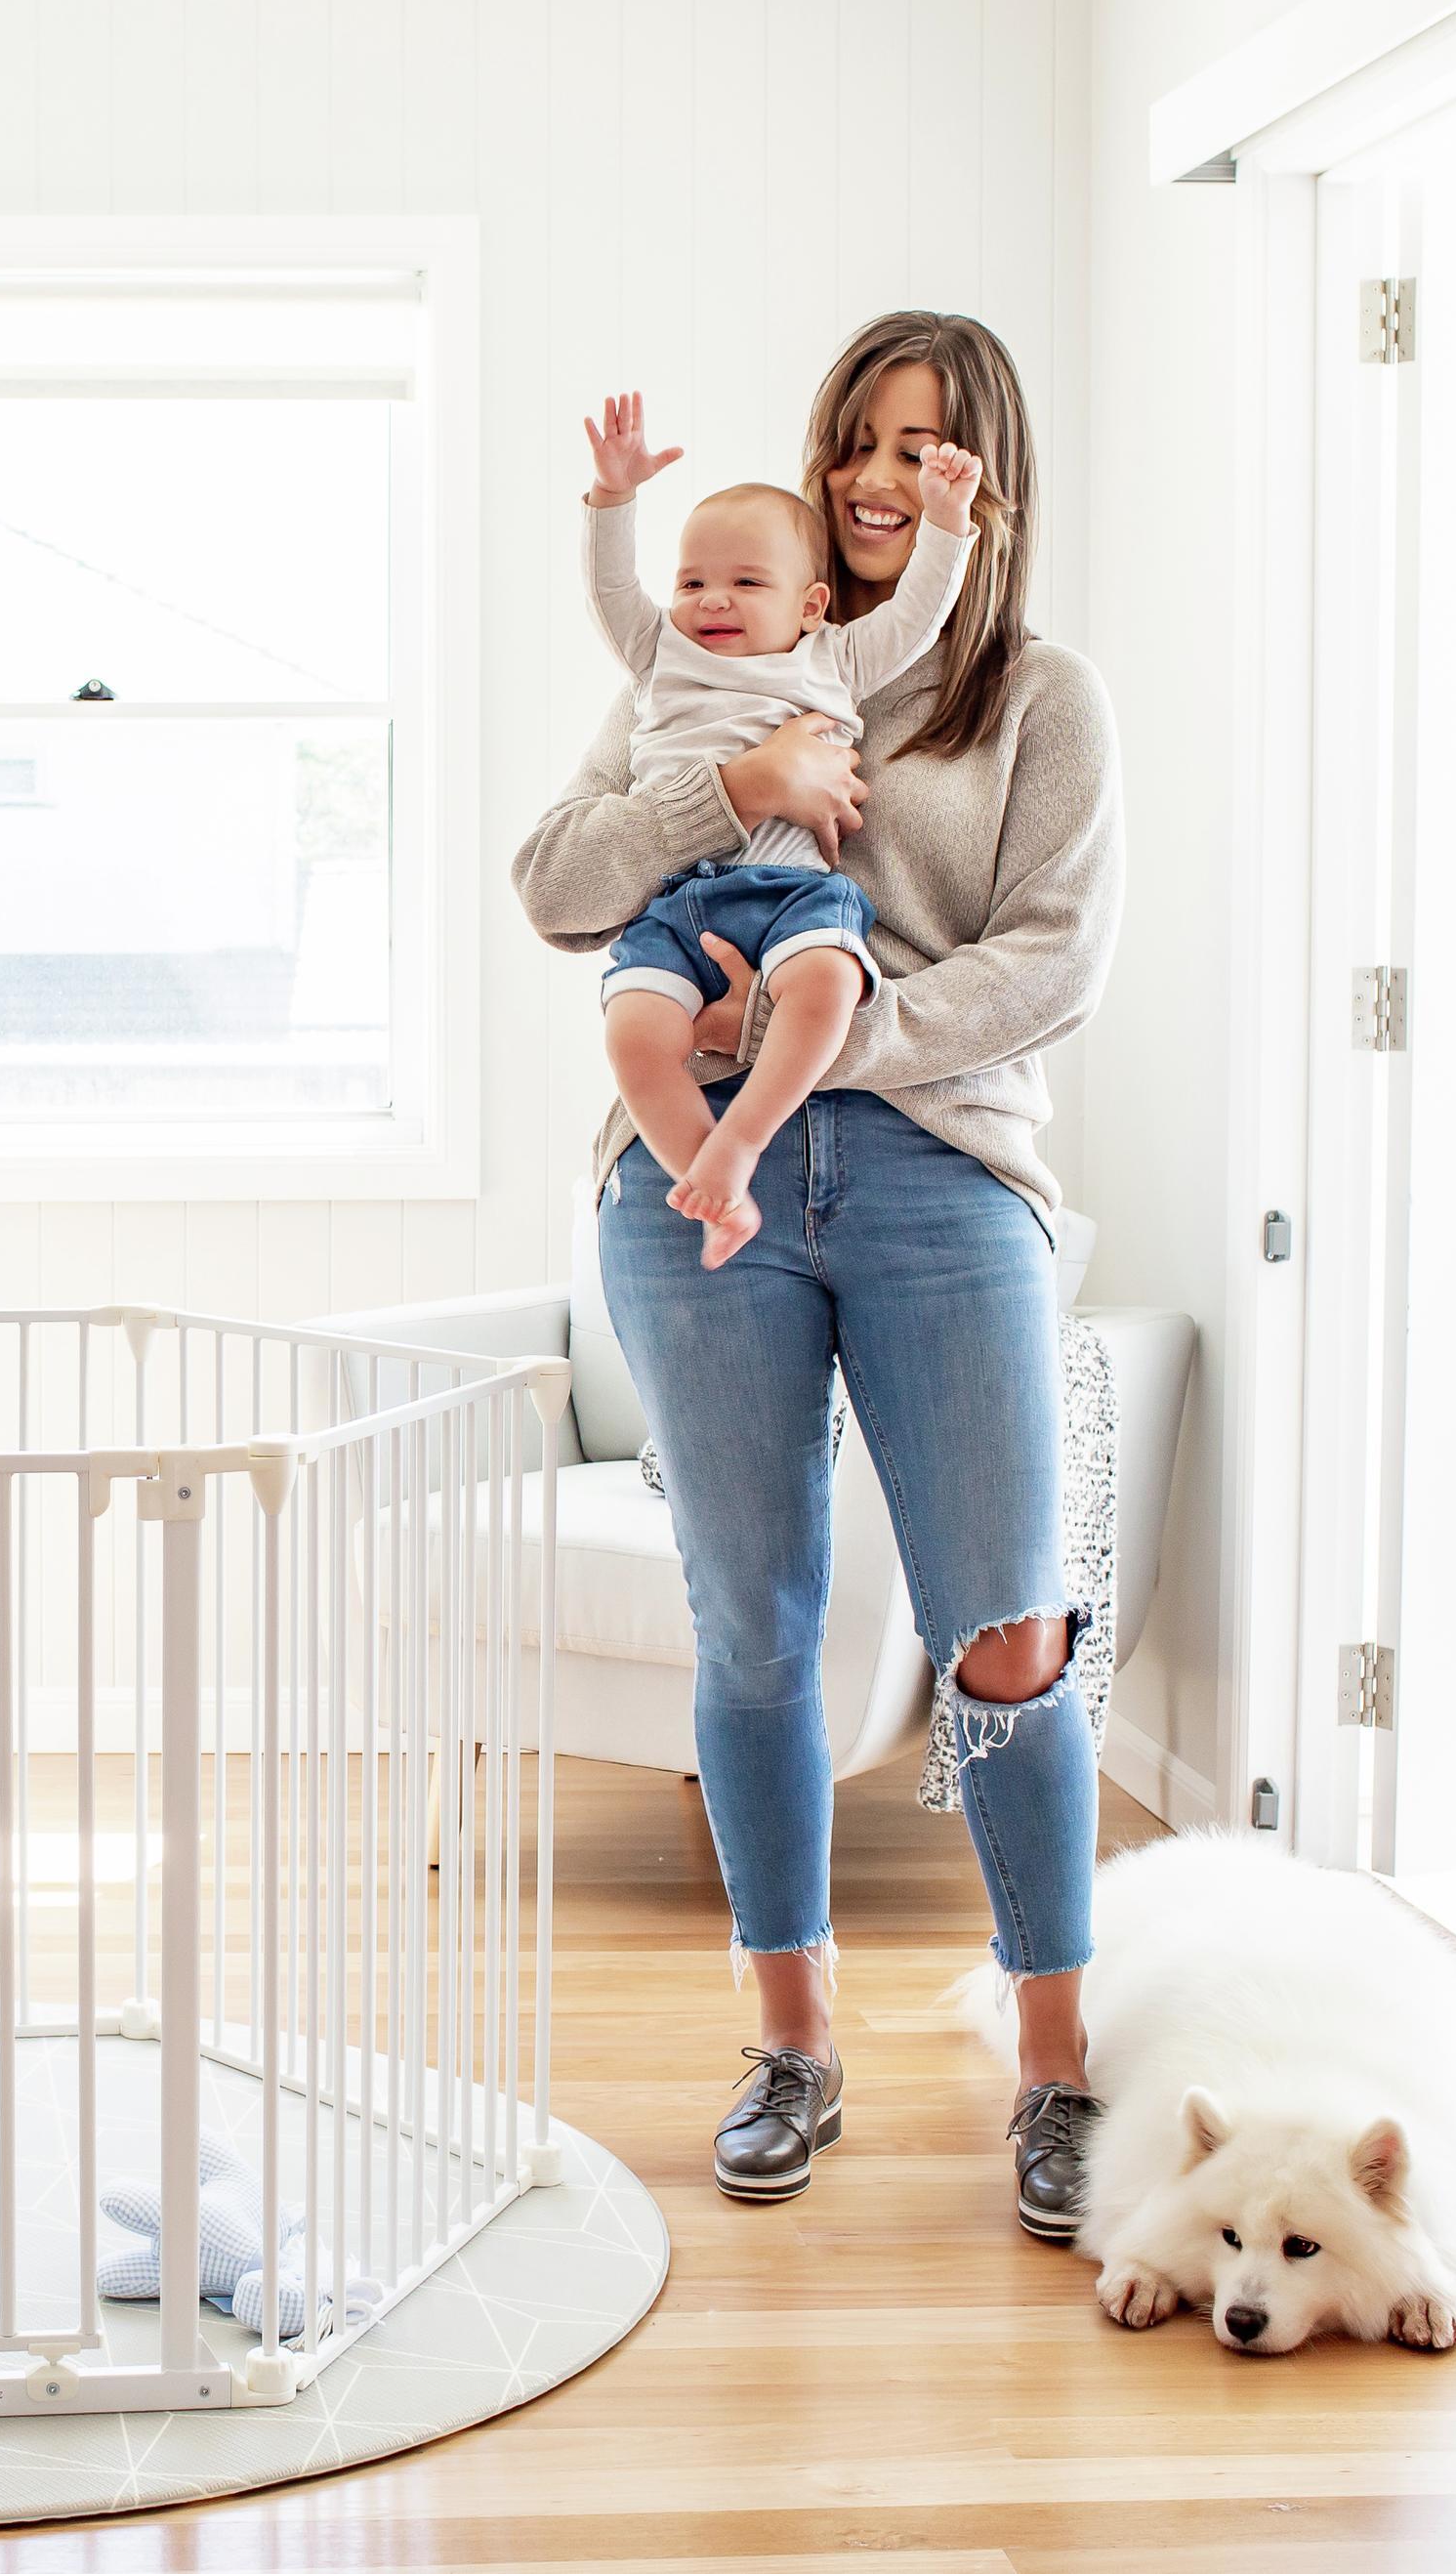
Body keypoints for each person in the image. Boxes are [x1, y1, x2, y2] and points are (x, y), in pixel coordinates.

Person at [512, 312, 1123, 2239]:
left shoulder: (1038, 696)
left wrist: (818, 1046)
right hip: (697, 1195)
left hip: (943, 1173)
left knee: (1005, 1632)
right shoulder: (715, 648)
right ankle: (796, 2038)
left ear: (980, 477)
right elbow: (553, 884)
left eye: (921, 446)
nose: (875, 478)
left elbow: (1050, 964)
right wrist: (731, 778)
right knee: (754, 1624)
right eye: (859, 437)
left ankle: (1058, 2069)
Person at [577, 392, 982, 1264]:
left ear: (811, 605)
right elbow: (614, 594)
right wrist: (613, 499)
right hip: (681, 902)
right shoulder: (662, 659)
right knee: (633, 1032)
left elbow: (916, 618)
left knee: (832, 986)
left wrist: (949, 524)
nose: (711, 600)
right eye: (692, 582)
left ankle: (742, 1140)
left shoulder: (832, 657)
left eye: (746, 582)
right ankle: (711, 1183)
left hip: (795, 894)